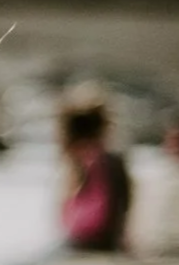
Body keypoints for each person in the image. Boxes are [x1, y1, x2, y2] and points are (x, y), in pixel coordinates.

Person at [57, 85, 134, 253]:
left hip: (84, 236)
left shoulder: (76, 161)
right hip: (105, 236)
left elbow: (65, 206)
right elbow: (124, 200)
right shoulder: (111, 160)